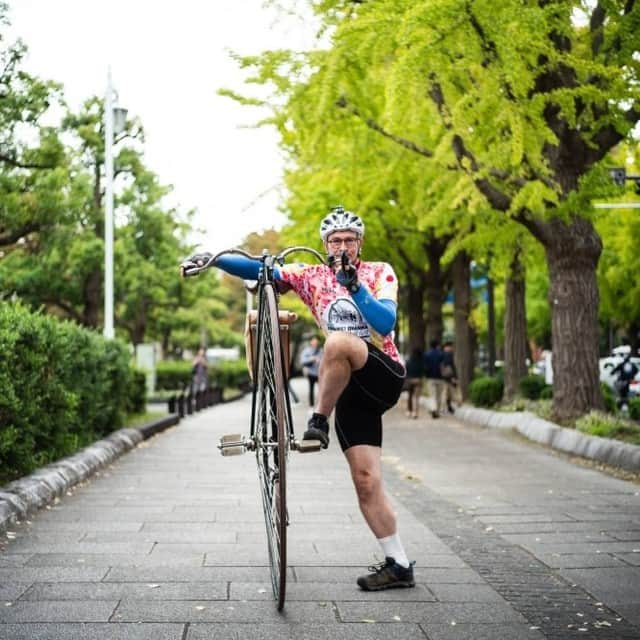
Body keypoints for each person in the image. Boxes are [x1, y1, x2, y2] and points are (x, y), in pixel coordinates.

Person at [181, 205, 414, 591]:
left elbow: (385, 323)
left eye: (349, 240)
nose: (342, 246)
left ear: (360, 244)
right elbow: (262, 271)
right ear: (324, 245)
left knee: (339, 341)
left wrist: (355, 286)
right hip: (350, 392)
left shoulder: (379, 271)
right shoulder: (312, 277)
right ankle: (399, 563)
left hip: (382, 373)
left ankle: (318, 419)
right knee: (365, 479)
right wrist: (215, 259)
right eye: (335, 240)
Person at [423, 339, 445, 418]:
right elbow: (443, 366)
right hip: (440, 378)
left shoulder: (426, 354)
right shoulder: (441, 354)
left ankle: (433, 409)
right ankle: (437, 411)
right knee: (439, 395)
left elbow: (424, 366)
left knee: (432, 395)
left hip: (430, 378)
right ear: (437, 345)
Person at [300, 335, 323, 407]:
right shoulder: (306, 350)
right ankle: (311, 404)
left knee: (322, 389)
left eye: (316, 341)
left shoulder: (321, 350)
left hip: (320, 373)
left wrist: (320, 361)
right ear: (310, 341)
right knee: (311, 388)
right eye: (313, 340)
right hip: (311, 372)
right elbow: (302, 361)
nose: (315, 342)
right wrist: (312, 359)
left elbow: (325, 360)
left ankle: (321, 404)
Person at [404, 347, 424, 419]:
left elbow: (405, 370)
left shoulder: (409, 361)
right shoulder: (421, 361)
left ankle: (409, 411)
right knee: (416, 397)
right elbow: (423, 371)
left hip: (410, 380)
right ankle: (415, 413)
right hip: (418, 380)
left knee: (410, 396)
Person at [441, 340, 458, 414]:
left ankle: (448, 407)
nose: (452, 348)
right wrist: (454, 377)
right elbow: (451, 366)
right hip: (448, 377)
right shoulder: (448, 355)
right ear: (448, 347)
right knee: (446, 393)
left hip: (442, 376)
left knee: (446, 393)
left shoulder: (441, 354)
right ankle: (444, 408)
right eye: (451, 346)